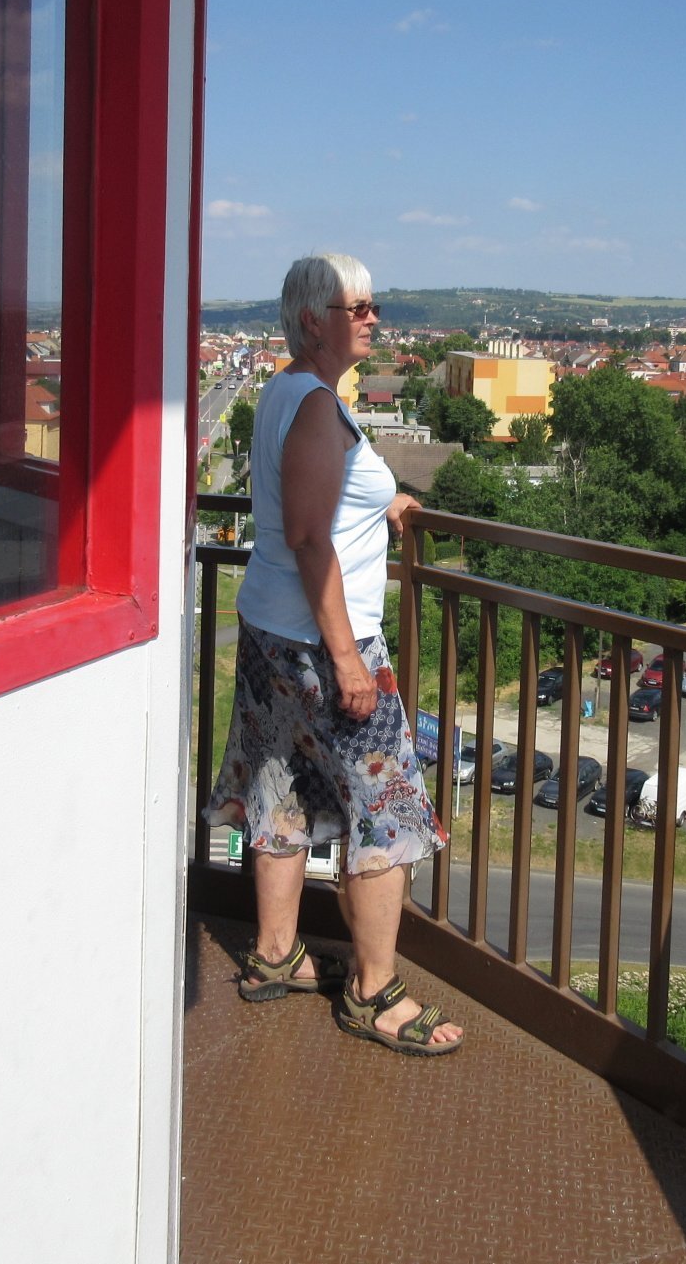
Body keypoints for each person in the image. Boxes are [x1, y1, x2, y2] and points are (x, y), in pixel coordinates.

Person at [205, 253, 462, 1056]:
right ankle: (373, 991)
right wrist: (348, 657)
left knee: (279, 792)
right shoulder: (318, 408)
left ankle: (275, 953)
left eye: (374, 303)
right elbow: (311, 535)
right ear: (314, 319)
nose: (373, 316)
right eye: (357, 306)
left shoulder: (284, 394)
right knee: (386, 813)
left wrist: (382, 499)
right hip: (324, 642)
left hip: (268, 632)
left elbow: (309, 495)